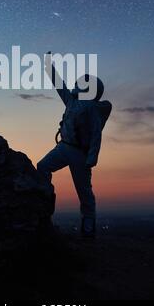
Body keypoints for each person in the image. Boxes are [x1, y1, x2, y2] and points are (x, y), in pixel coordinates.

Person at [37, 53, 112, 238]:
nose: (77, 84)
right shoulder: (72, 101)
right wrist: (48, 66)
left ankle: (88, 230)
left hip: (80, 153)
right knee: (42, 167)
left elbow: (96, 134)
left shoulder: (92, 108)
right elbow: (58, 85)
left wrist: (92, 157)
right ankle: (42, 199)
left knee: (84, 193)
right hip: (64, 147)